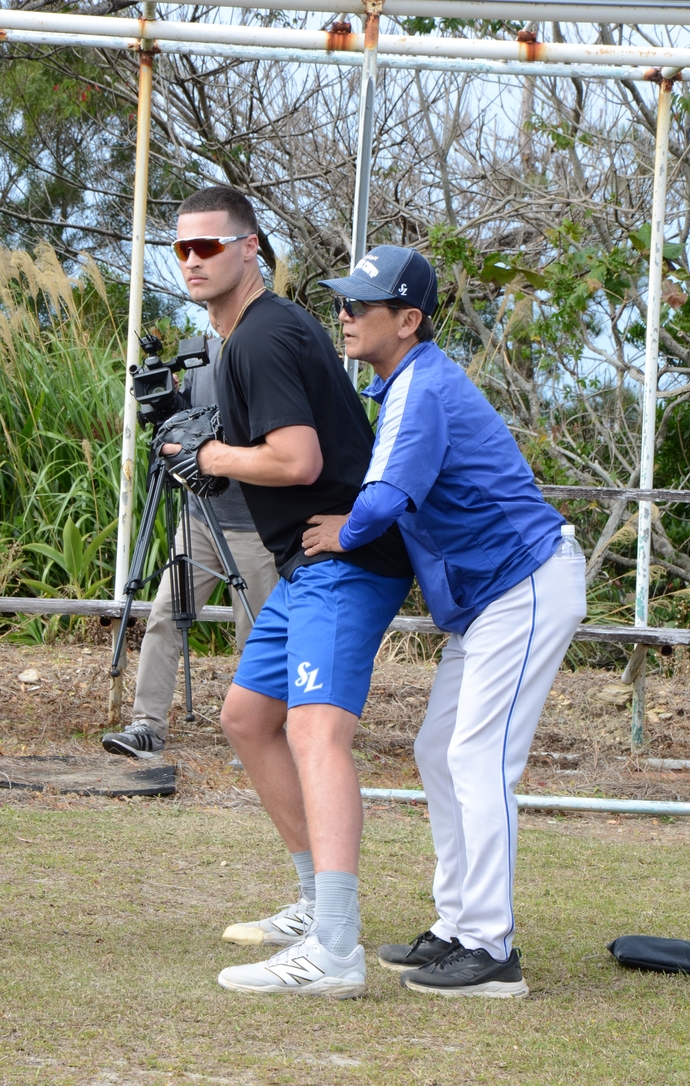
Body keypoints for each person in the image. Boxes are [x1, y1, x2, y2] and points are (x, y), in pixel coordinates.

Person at [303, 245, 587, 998]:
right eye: (343, 302)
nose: (345, 314)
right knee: (440, 749)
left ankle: (491, 949)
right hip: (493, 598)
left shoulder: (420, 384)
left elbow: (385, 497)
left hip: (524, 581)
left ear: (408, 319)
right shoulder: (398, 384)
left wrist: (345, 532)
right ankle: (459, 927)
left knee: (477, 757)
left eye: (361, 305)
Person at [157, 187, 413, 998]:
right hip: (307, 563)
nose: (194, 261)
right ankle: (313, 907)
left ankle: (335, 951)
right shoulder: (253, 337)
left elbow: (297, 461)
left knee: (314, 735)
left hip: (344, 562)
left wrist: (217, 456)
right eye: (182, 250)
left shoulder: (263, 337)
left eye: (210, 247)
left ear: (250, 250)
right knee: (247, 717)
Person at [102, 337, 278, 759]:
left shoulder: (265, 348)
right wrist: (173, 399)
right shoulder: (199, 352)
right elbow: (190, 426)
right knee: (164, 614)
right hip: (198, 516)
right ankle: (147, 726)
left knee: (255, 632)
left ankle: (260, 735)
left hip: (254, 526)